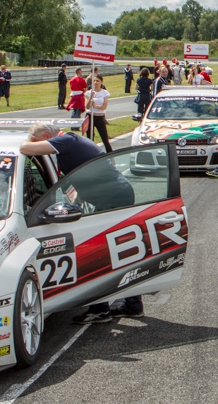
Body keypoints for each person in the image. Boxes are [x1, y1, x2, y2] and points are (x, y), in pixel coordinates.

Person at [20, 122, 139, 323]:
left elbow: (25, 148)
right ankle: (133, 305)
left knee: (98, 253)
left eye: (39, 141)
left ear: (48, 136)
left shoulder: (66, 140)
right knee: (118, 252)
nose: (40, 148)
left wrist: (25, 144)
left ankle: (100, 309)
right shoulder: (72, 141)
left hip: (113, 198)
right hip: (116, 195)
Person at [84, 75, 112, 153]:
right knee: (89, 138)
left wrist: (95, 106)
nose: (95, 83)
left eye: (97, 81)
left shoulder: (104, 93)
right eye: (94, 81)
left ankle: (110, 154)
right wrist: (90, 98)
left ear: (101, 82)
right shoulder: (88, 93)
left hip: (99, 117)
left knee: (105, 138)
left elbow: (104, 107)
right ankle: (90, 154)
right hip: (90, 116)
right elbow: (87, 106)